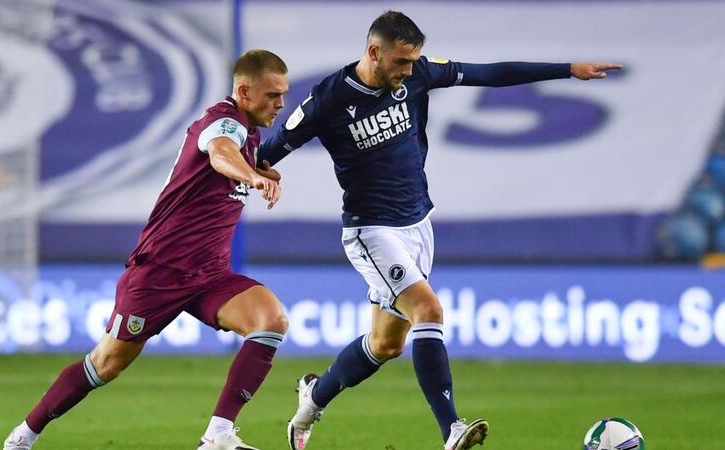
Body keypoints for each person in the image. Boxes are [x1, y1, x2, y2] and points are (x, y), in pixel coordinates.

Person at [257, 11, 621, 450]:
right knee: (428, 311)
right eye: (402, 62)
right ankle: (452, 429)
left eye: (414, 62)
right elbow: (268, 151)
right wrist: (256, 176)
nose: (410, 71)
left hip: (418, 224)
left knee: (385, 344)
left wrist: (566, 70)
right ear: (374, 52)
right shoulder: (328, 99)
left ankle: (312, 399)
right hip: (371, 232)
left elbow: (490, 74)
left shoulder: (418, 75)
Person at [4, 49, 290, 450]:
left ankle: (218, 436)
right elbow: (221, 153)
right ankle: (22, 437)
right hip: (161, 271)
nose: (280, 104)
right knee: (105, 365)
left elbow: (230, 157)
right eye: (273, 95)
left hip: (210, 274)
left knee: (270, 319)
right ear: (243, 91)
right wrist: (252, 177)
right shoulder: (222, 122)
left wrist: (257, 168)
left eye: (283, 95)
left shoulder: (248, 131)